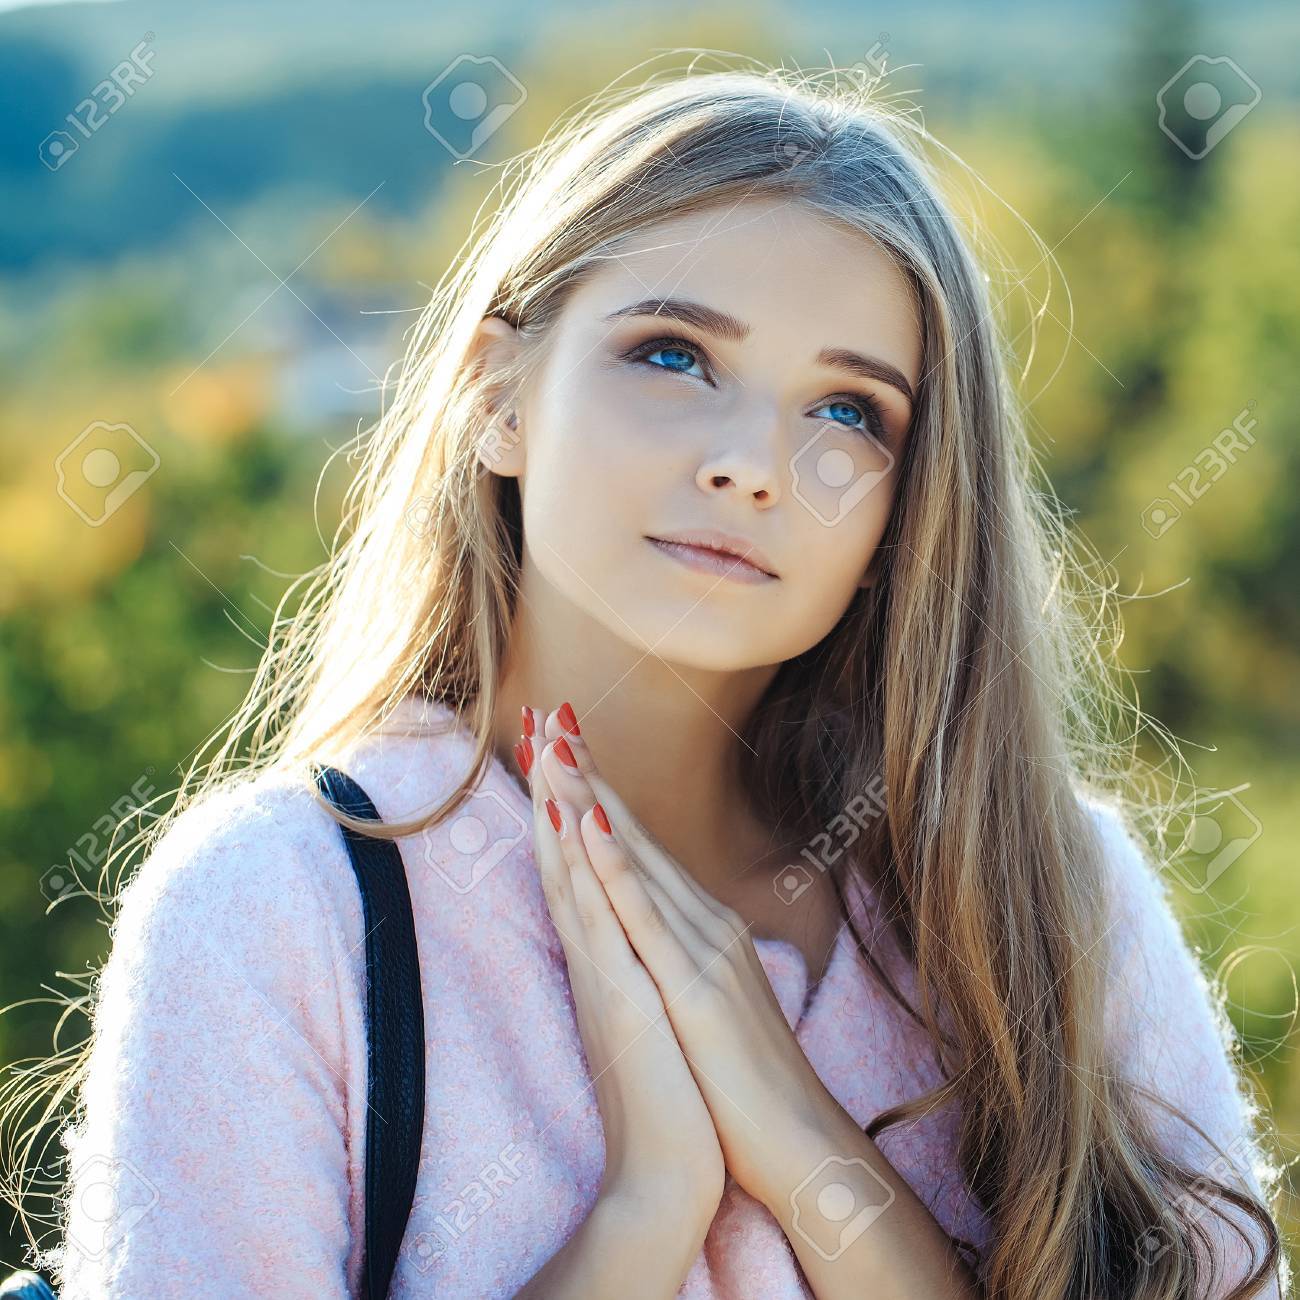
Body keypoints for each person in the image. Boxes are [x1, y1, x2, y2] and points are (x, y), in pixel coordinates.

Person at [26, 65, 1287, 1298]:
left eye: (848, 412)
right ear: (498, 394)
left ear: (904, 513)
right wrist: (644, 1211)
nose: (754, 462)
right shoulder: (278, 910)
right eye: (676, 355)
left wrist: (806, 1149)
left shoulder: (1049, 902)